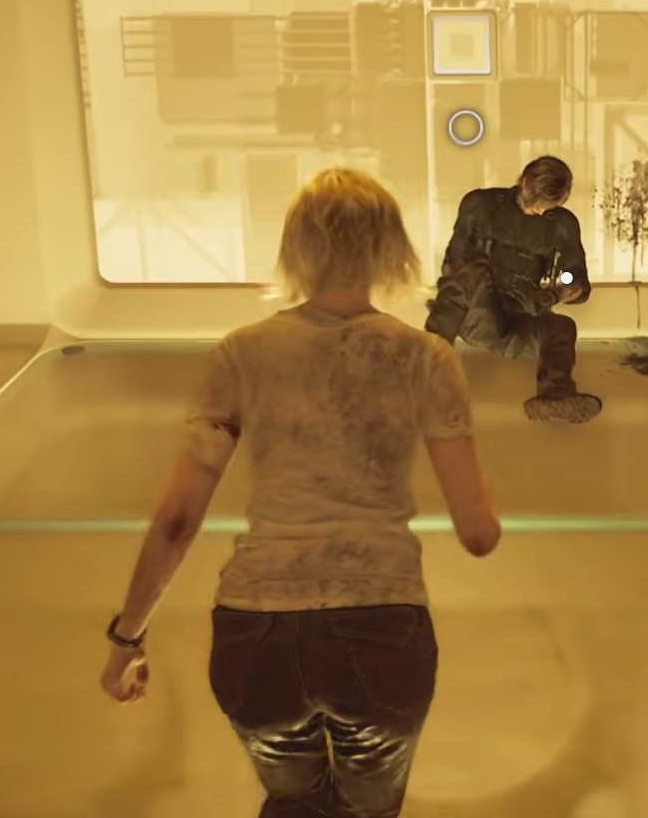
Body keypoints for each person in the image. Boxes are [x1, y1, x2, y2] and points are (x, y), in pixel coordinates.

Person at [98, 168, 503, 818]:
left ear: (297, 249)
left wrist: (126, 642)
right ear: (388, 250)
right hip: (381, 624)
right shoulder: (426, 357)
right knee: (369, 809)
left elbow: (177, 521)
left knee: (293, 801)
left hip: (254, 631)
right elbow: (478, 534)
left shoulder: (241, 353)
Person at [424, 155, 602, 424]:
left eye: (548, 205)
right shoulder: (480, 205)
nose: (539, 210)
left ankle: (556, 393)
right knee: (469, 270)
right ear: (525, 181)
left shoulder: (561, 224)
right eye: (536, 200)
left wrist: (565, 285)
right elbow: (454, 267)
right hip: (477, 315)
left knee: (562, 327)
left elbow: (576, 279)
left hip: (517, 319)